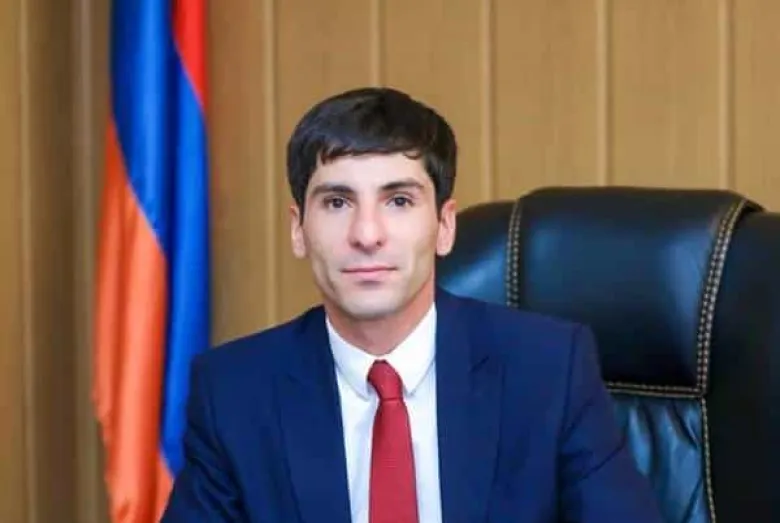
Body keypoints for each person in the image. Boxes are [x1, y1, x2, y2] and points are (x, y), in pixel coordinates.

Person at [161, 87, 663, 523]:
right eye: (337, 202)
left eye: (398, 201)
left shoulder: (549, 370)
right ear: (298, 230)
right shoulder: (234, 392)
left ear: (444, 226)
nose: (366, 234)